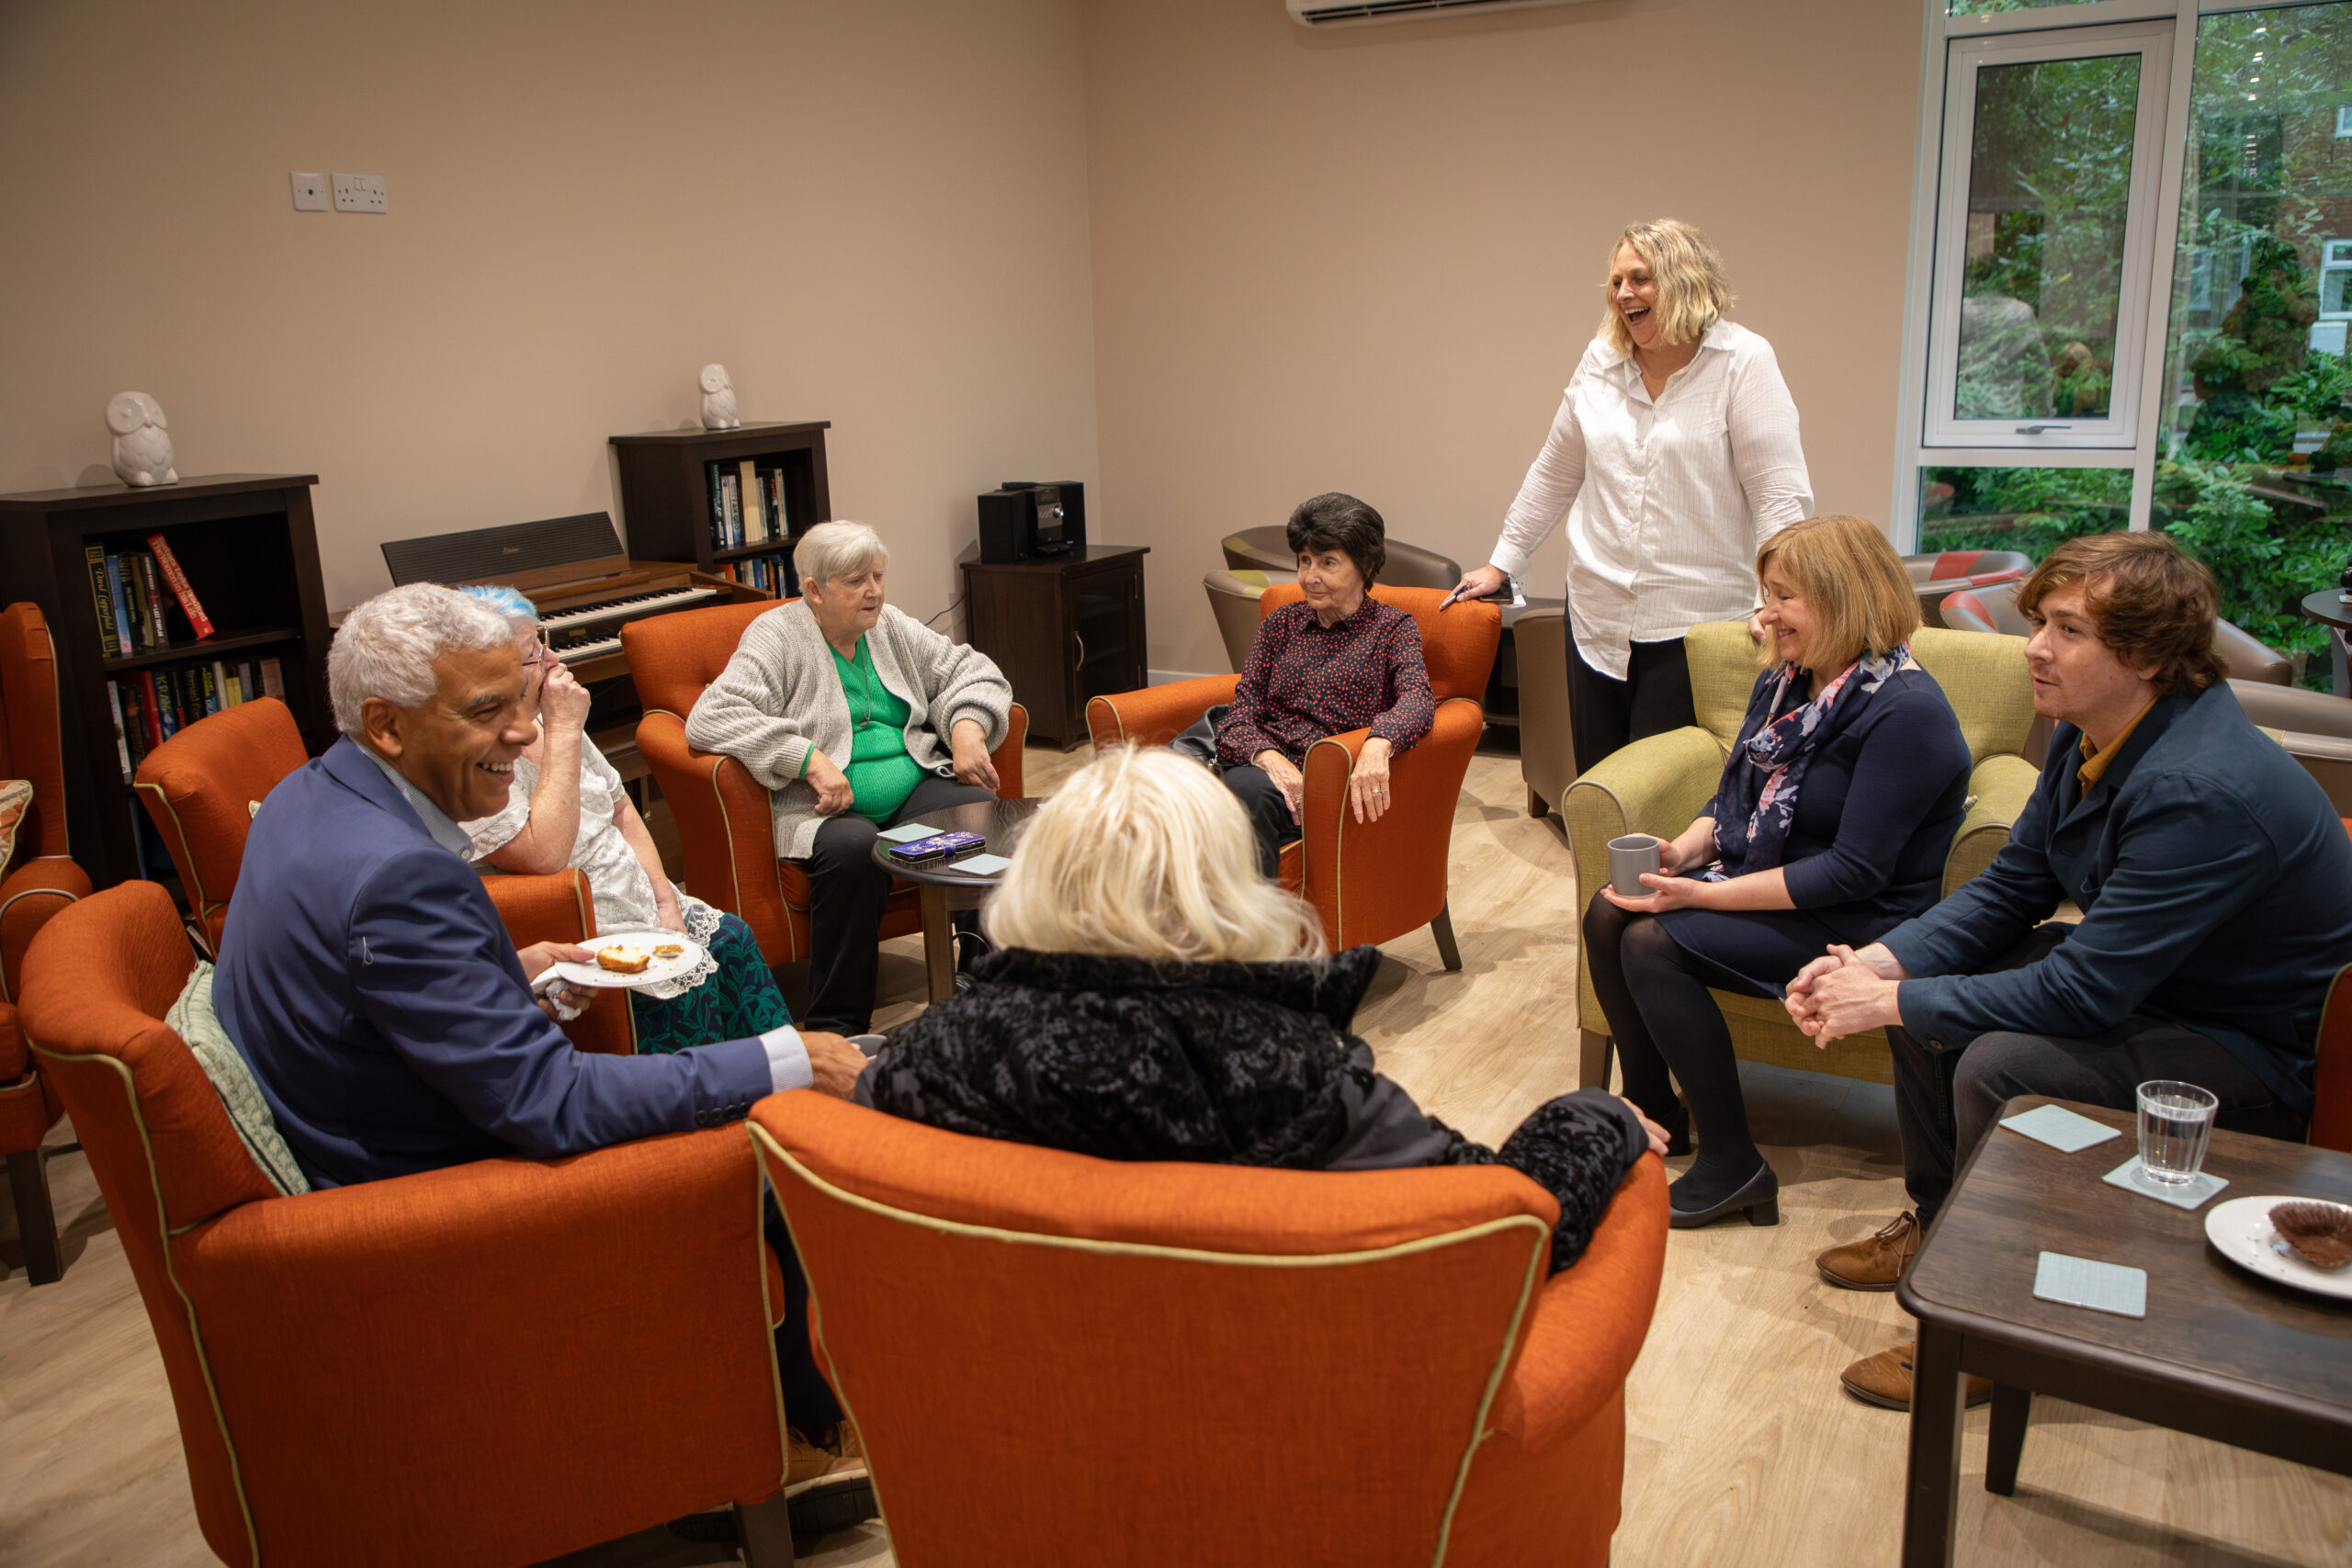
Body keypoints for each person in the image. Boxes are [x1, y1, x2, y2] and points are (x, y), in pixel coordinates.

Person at [213, 583, 873, 1504]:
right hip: (436, 1209)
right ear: (387, 724)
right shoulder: (396, 875)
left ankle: (778, 1413)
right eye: (488, 710)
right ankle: (774, 1445)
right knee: (778, 1137)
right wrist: (793, 1058)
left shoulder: (307, 795)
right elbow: (552, 1107)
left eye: (521, 698)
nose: (527, 734)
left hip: (380, 1129)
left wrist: (498, 974)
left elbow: (358, 986)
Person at [1784, 532, 2352, 1411]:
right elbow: (2014, 886)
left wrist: (1890, 997)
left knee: (1996, 1057)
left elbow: (2085, 990)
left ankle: (1989, 1323)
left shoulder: (2200, 786)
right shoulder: (2093, 731)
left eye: (2069, 629)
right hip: (2159, 988)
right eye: (2040, 622)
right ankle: (1942, 1233)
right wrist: (1880, 965)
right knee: (1928, 1006)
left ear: (2151, 655)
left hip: (2245, 1050)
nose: (2035, 648)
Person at [854, 746, 1669, 1274]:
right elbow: (1511, 1226)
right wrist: (1596, 1114)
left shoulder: (926, 1055)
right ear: (1227, 885)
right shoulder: (1286, 1073)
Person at [1582, 515, 1972, 1229]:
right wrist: (1688, 850)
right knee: (1610, 907)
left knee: (1651, 939)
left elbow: (1853, 872)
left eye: (1782, 596)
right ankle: (1654, 1107)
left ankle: (1736, 1164)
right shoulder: (1791, 680)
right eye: (1766, 594)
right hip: (1776, 882)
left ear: (1842, 598)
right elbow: (1735, 793)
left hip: (1861, 918)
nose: (1764, 615)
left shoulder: (1905, 712)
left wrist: (1702, 896)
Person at [1443, 219, 1814, 773]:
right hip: (1596, 614)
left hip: (1695, 620)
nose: (1622, 294)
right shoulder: (1599, 360)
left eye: (1640, 279)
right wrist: (1502, 563)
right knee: (1602, 784)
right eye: (1615, 282)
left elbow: (1779, 495)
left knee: (1667, 792)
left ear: (1686, 280)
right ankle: (1602, 867)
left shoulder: (1744, 361)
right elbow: (1555, 471)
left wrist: (1775, 596)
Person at [686, 521, 1014, 1035]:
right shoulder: (778, 636)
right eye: (856, 580)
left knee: (980, 817)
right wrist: (809, 759)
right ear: (813, 590)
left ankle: (985, 987)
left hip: (912, 783)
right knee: (853, 850)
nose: (874, 591)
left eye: (878, 576)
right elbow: (713, 715)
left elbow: (970, 670)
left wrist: (967, 730)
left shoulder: (890, 627)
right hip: (824, 806)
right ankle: (837, 1025)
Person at [455, 584, 796, 1055]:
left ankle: (783, 1084)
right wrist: (565, 729)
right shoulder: (476, 757)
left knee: (732, 938)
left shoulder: (543, 720)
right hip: (578, 918)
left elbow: (621, 808)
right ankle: (712, 1102)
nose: (554, 662)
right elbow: (543, 853)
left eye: (545, 642)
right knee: (678, 990)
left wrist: (665, 901)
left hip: (635, 893)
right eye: (535, 656)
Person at [1216, 492, 1436, 878]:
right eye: (1304, 561)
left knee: (1248, 799)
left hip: (1331, 776)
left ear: (1365, 566)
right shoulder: (1281, 623)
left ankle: (1254, 932)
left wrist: (1378, 743)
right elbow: (1240, 715)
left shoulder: (1392, 629)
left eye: (1328, 562)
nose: (1310, 576)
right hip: (1263, 766)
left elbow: (1418, 698)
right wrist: (1269, 758)